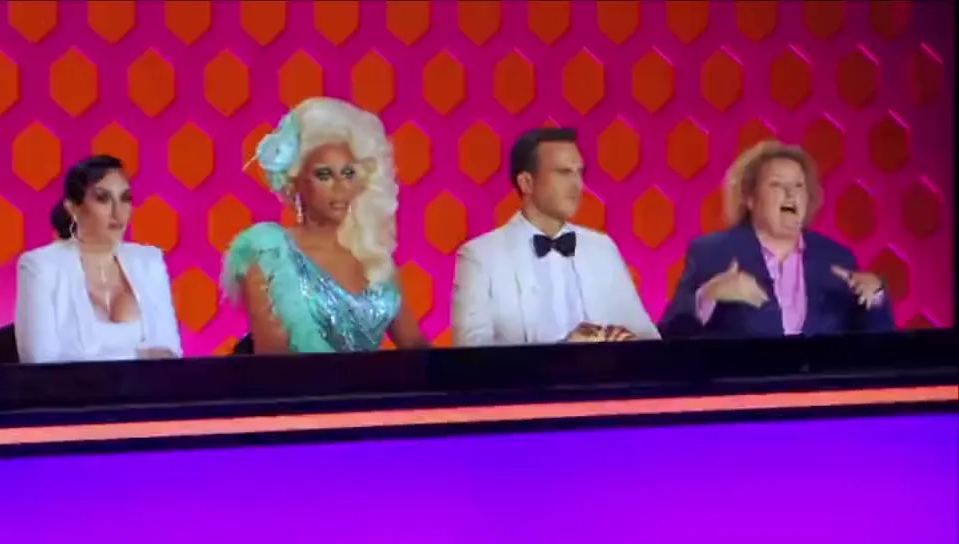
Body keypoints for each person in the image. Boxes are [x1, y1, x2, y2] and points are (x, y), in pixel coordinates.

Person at [222, 97, 428, 353]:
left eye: (348, 173)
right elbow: (274, 360)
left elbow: (415, 347)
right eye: (324, 175)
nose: (340, 187)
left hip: (379, 381)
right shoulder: (270, 254)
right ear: (295, 181)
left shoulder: (373, 256)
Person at [661, 141, 894, 337]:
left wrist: (875, 298)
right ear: (750, 198)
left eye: (799, 186)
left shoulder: (837, 258)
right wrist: (708, 295)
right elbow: (669, 338)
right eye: (777, 184)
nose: (791, 193)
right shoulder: (712, 254)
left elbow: (877, 351)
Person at [452, 127, 658, 346]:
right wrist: (564, 352)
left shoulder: (602, 248)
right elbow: (472, 357)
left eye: (579, 173)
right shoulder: (480, 256)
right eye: (564, 173)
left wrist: (626, 341)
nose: (578, 186)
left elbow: (648, 339)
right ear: (526, 182)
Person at [15, 155, 182, 363]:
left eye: (125, 198)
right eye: (103, 199)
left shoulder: (149, 262)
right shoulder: (40, 267)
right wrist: (135, 356)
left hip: (148, 385)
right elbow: (39, 362)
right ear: (73, 208)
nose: (118, 213)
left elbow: (170, 355)